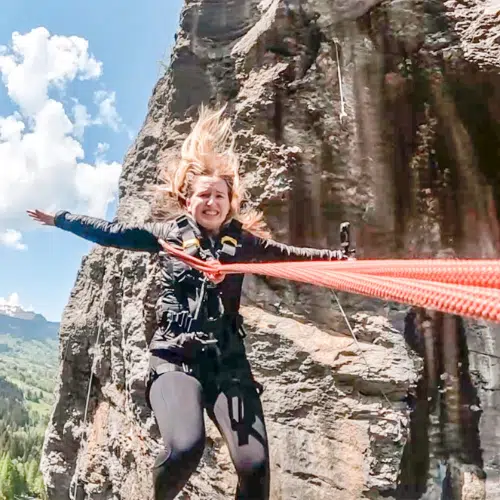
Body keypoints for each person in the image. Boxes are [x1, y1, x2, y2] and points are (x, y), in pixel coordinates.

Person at [28, 105, 347, 500]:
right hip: (175, 359)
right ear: (187, 200)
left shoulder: (245, 244)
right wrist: (61, 218)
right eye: (203, 195)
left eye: (219, 196)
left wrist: (339, 260)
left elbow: (291, 257)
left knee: (255, 465)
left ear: (230, 202)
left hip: (227, 363)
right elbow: (113, 232)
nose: (211, 202)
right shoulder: (167, 235)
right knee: (184, 449)